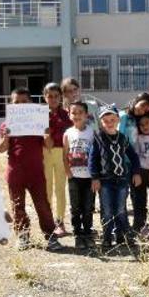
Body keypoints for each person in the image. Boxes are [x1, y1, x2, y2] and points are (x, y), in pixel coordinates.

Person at [0, 87, 63, 252]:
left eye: (24, 102)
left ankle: (50, 236)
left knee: (42, 205)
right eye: (16, 102)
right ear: (11, 105)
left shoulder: (39, 123)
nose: (20, 105)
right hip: (15, 171)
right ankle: (23, 236)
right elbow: (0, 149)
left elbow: (49, 145)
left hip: (36, 171)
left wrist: (46, 134)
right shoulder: (7, 124)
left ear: (31, 103)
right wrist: (6, 137)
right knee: (17, 205)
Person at [88, 105, 142, 248]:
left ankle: (122, 235)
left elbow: (133, 156)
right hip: (105, 181)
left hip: (122, 180)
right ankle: (107, 237)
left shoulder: (123, 138)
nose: (109, 123)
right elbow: (92, 159)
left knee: (120, 209)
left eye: (112, 119)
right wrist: (95, 177)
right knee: (106, 210)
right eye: (105, 120)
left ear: (118, 120)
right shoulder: (98, 138)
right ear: (101, 122)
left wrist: (136, 173)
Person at [62, 101, 95, 250]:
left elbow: (96, 155)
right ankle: (78, 234)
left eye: (80, 112)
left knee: (88, 207)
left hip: (89, 177)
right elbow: (64, 154)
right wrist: (68, 171)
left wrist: (95, 176)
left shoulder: (92, 132)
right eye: (73, 112)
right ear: (69, 114)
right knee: (75, 208)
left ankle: (87, 234)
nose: (77, 115)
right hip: (74, 177)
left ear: (86, 115)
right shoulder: (68, 133)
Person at [42, 82, 73, 236]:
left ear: (60, 97)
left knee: (60, 188)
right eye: (50, 96)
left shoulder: (66, 114)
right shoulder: (39, 114)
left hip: (61, 153)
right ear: (44, 97)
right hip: (45, 153)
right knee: (47, 188)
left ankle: (60, 221)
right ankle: (48, 222)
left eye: (56, 96)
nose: (53, 99)